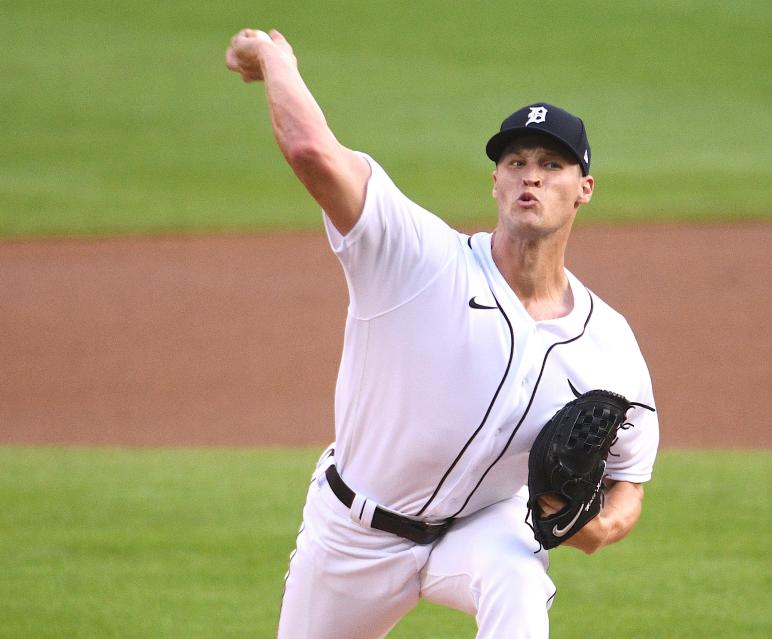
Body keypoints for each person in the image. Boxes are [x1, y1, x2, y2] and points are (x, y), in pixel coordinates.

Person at [226, 28, 660, 639]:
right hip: (355, 535)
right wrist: (274, 58)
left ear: (584, 188)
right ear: (495, 182)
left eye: (551, 165)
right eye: (515, 162)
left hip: (480, 528)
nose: (529, 177)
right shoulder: (420, 261)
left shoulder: (608, 342)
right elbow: (312, 154)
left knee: (518, 579)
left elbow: (630, 482)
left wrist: (596, 528)